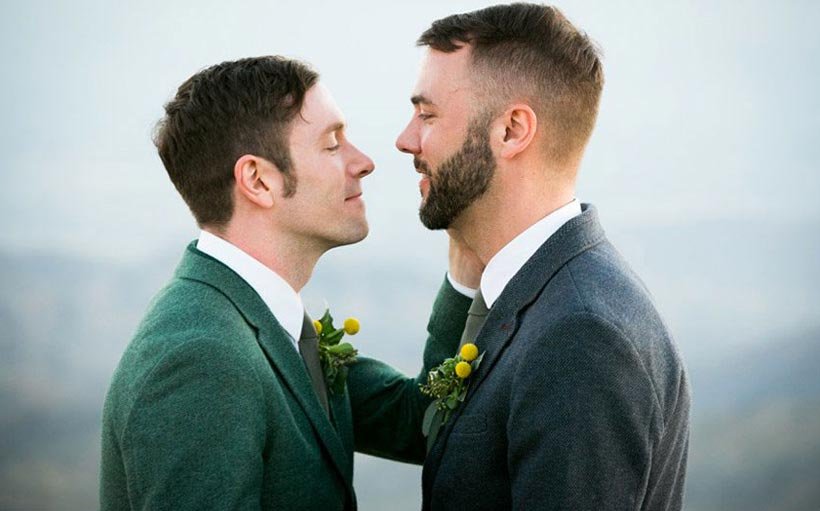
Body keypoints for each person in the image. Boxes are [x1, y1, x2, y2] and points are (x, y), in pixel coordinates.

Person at [99, 56, 478, 510]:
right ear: (258, 181)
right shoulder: (200, 358)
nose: (364, 162)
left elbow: (415, 422)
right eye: (332, 144)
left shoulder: (264, 321)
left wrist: (465, 267)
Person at [395, 4, 691, 510]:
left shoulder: (581, 335)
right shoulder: (546, 291)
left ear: (512, 131)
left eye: (427, 115)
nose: (405, 140)